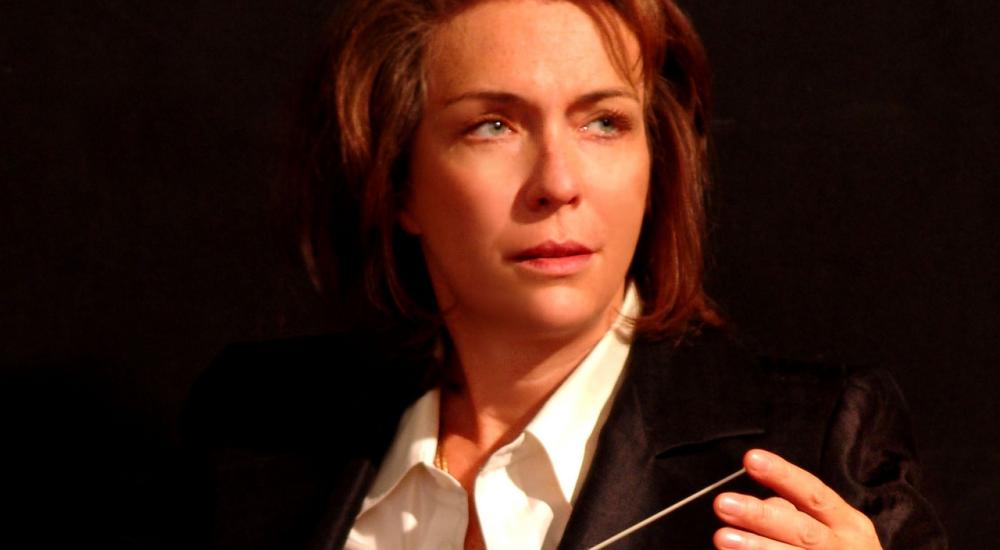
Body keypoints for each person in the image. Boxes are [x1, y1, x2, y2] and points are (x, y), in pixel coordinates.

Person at [182, 0, 947, 548]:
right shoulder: (252, 429)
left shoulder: (815, 446)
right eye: (493, 125)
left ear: (656, 162)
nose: (557, 182)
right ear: (400, 183)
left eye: (603, 122)